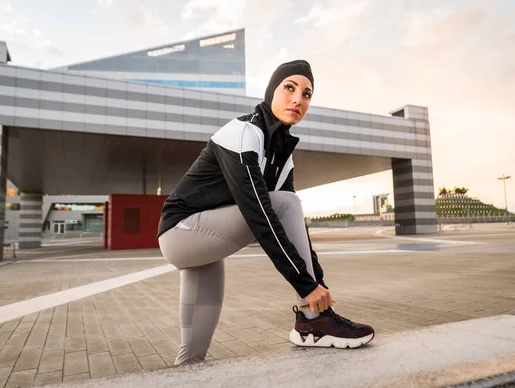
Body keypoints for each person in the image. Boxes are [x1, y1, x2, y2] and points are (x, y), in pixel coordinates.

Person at [157, 60, 374, 366]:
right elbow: (260, 214)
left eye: (307, 94)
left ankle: (183, 382)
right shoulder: (242, 132)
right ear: (272, 90)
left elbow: (294, 227)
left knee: (192, 357)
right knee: (284, 203)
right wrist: (305, 287)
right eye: (289, 87)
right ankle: (313, 322)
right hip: (181, 232)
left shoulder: (281, 154)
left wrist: (318, 282)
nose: (298, 98)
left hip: (204, 242)